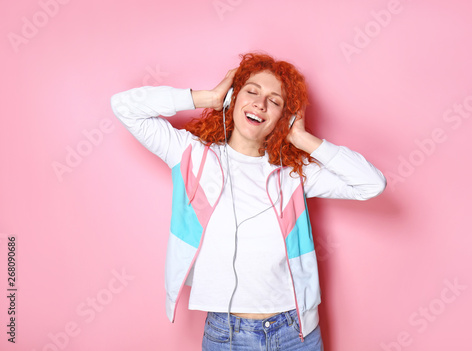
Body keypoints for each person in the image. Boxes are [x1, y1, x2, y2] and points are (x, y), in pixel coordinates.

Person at [111, 53, 386, 350]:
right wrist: (208, 97)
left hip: (296, 331)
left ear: (284, 117)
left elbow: (371, 183)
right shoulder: (190, 154)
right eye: (252, 91)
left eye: (275, 101)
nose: (260, 103)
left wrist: (303, 138)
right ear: (233, 97)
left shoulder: (294, 173)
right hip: (227, 334)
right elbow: (124, 106)